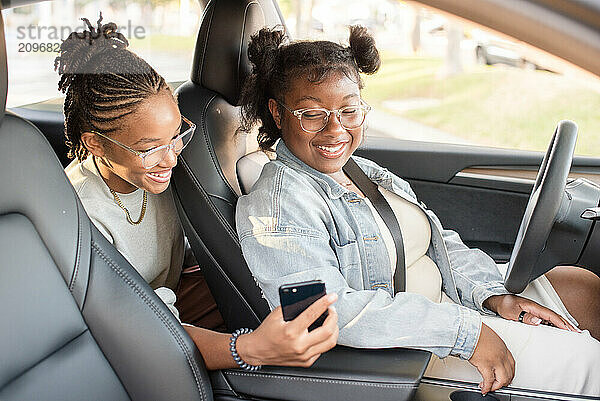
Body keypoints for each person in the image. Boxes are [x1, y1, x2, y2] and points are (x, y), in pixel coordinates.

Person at [235, 26, 600, 396]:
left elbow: (438, 242)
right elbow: (322, 314)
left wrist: (491, 294)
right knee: (589, 363)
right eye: (312, 113)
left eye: (349, 110)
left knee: (583, 288)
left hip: (450, 305)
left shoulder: (360, 171)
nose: (336, 130)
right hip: (408, 346)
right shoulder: (277, 203)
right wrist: (465, 332)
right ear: (277, 114)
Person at [57, 15, 339, 371]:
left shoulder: (160, 167)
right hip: (132, 336)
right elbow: (143, 329)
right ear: (95, 144)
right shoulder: (81, 215)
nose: (172, 156)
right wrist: (250, 348)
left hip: (171, 296)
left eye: (177, 135)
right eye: (149, 148)